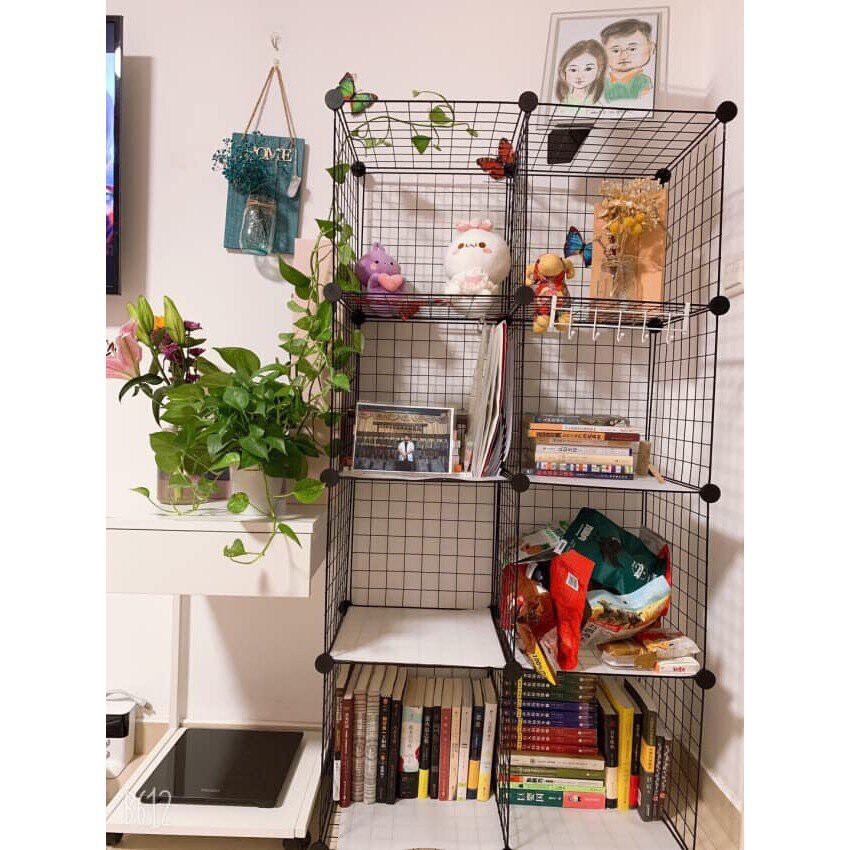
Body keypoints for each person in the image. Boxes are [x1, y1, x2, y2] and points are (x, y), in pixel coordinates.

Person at [599, 18, 655, 103]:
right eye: (616, 51)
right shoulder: (601, 83)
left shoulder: (642, 82)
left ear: (651, 48)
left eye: (632, 49)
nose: (624, 56)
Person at [555, 39, 607, 106]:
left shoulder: (595, 105)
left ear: (599, 70)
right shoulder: (563, 102)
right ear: (563, 71)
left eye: (588, 69)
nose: (579, 76)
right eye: (573, 70)